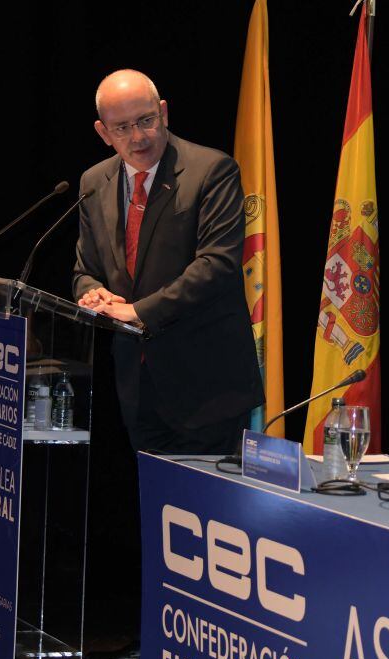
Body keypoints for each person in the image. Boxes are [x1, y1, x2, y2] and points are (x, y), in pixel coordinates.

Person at [74, 69, 262, 454]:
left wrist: (135, 311)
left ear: (163, 112)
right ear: (103, 132)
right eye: (122, 127)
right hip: (137, 384)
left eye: (146, 120)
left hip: (208, 386)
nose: (138, 137)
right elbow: (85, 269)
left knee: (211, 510)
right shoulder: (93, 182)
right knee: (157, 508)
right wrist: (94, 295)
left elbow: (216, 265)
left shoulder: (211, 170)